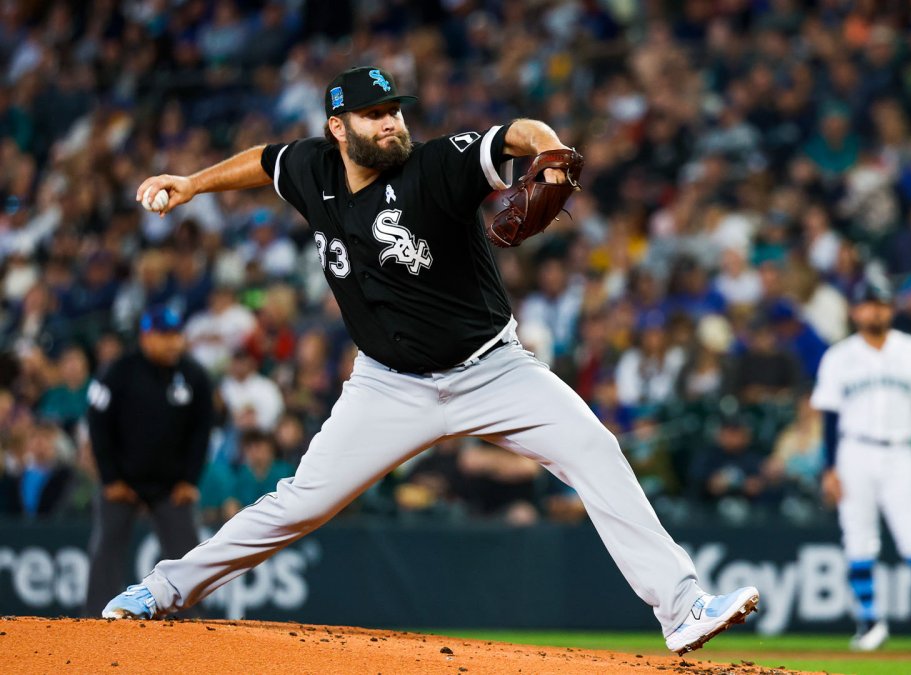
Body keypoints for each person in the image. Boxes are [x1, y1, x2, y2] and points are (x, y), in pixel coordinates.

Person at [101, 66, 757, 655]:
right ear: (338, 127)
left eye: (397, 111)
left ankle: (683, 606)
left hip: (492, 370)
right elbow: (265, 161)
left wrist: (552, 153)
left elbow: (516, 135)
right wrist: (190, 183)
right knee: (299, 503)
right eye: (375, 114)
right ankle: (160, 591)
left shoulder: (436, 166)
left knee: (594, 448)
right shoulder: (312, 169)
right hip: (388, 387)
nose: (392, 122)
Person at [810, 279, 911, 651]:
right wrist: (829, 468)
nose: (876, 311)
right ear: (855, 311)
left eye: (882, 304)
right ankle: (869, 622)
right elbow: (828, 418)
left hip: (901, 452)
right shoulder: (839, 356)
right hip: (853, 451)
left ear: (892, 309)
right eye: (869, 304)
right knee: (857, 539)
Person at [85, 306, 214, 616]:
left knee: (189, 556)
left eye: (176, 335)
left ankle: (198, 627)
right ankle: (92, 621)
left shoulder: (193, 375)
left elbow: (202, 431)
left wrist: (189, 480)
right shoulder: (117, 371)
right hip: (123, 483)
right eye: (164, 335)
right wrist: (110, 478)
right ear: (146, 337)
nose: (173, 343)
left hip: (171, 486)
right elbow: (98, 425)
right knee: (105, 551)